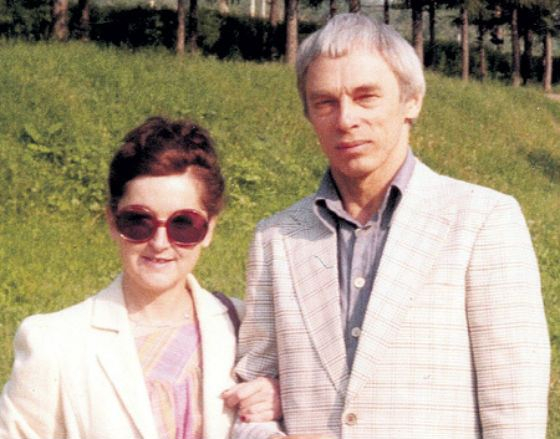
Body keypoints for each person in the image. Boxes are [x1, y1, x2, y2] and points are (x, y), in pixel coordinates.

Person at [227, 13, 551, 439]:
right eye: (325, 102)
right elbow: (250, 397)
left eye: (366, 97)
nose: (346, 119)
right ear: (308, 113)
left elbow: (514, 409)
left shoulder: (482, 221)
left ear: (411, 102)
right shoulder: (276, 239)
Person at [0, 116, 280, 439]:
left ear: (209, 229)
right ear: (112, 221)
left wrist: (281, 397)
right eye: (138, 221)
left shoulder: (244, 328)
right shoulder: (54, 342)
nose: (159, 243)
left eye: (183, 224)